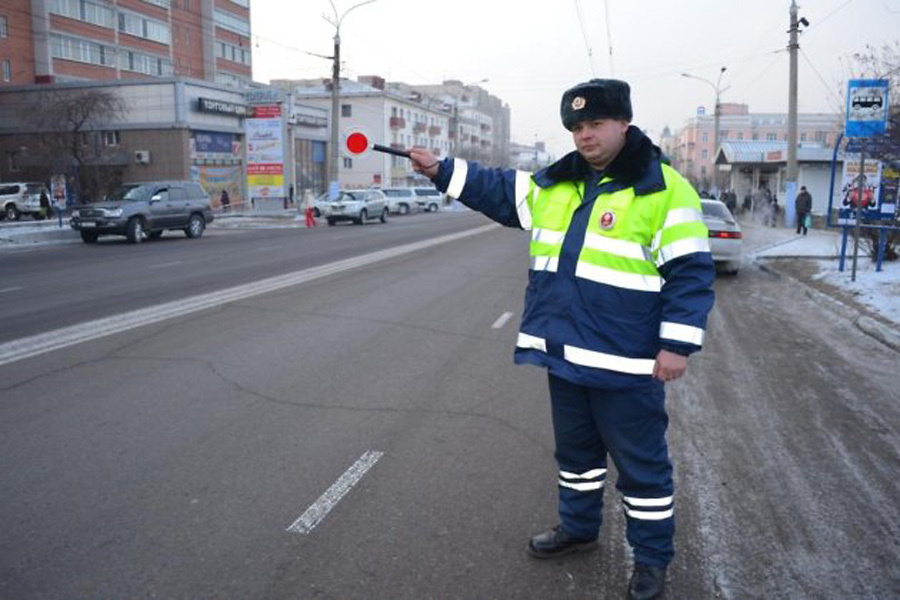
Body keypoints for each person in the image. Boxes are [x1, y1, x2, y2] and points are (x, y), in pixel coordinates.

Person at [410, 79, 715, 600]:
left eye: (595, 124)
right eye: (576, 127)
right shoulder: (558, 183)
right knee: (576, 459)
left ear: (624, 122)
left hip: (627, 363)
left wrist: (677, 344)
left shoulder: (663, 188)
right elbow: (499, 188)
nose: (585, 135)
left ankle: (652, 562)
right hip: (566, 356)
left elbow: (690, 273)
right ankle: (578, 529)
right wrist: (441, 169)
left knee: (643, 473)